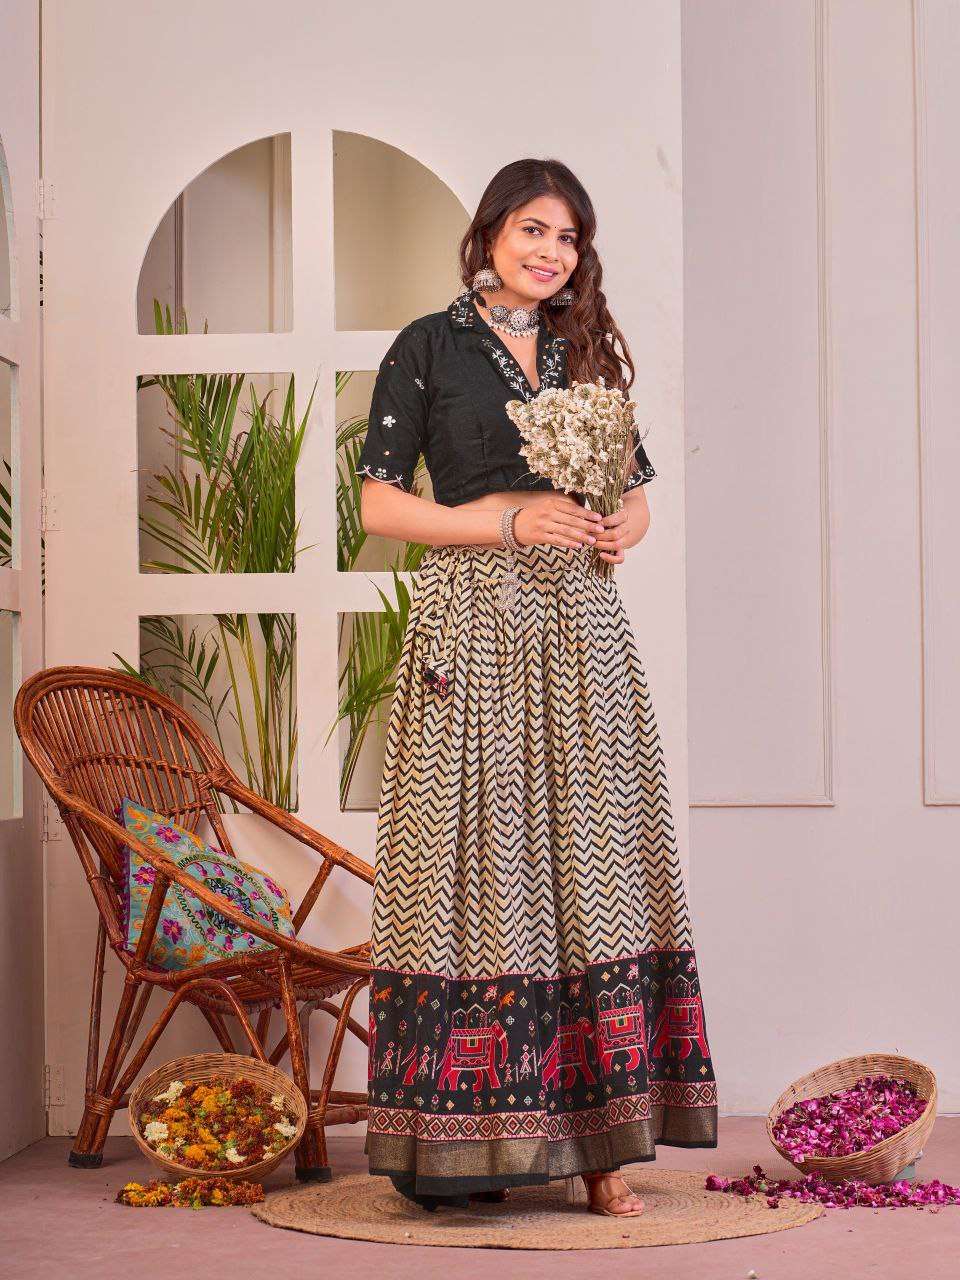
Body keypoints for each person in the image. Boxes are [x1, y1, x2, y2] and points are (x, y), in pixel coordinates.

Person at [357, 158, 718, 1217]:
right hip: (472, 617)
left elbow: (636, 496)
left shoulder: (582, 351)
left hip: (582, 627)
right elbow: (381, 505)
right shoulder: (427, 346)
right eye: (533, 229)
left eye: (568, 238)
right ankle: (470, 1141)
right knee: (478, 861)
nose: (551, 252)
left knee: (593, 856)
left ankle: (605, 1148)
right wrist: (509, 521)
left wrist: (615, 529)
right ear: (489, 236)